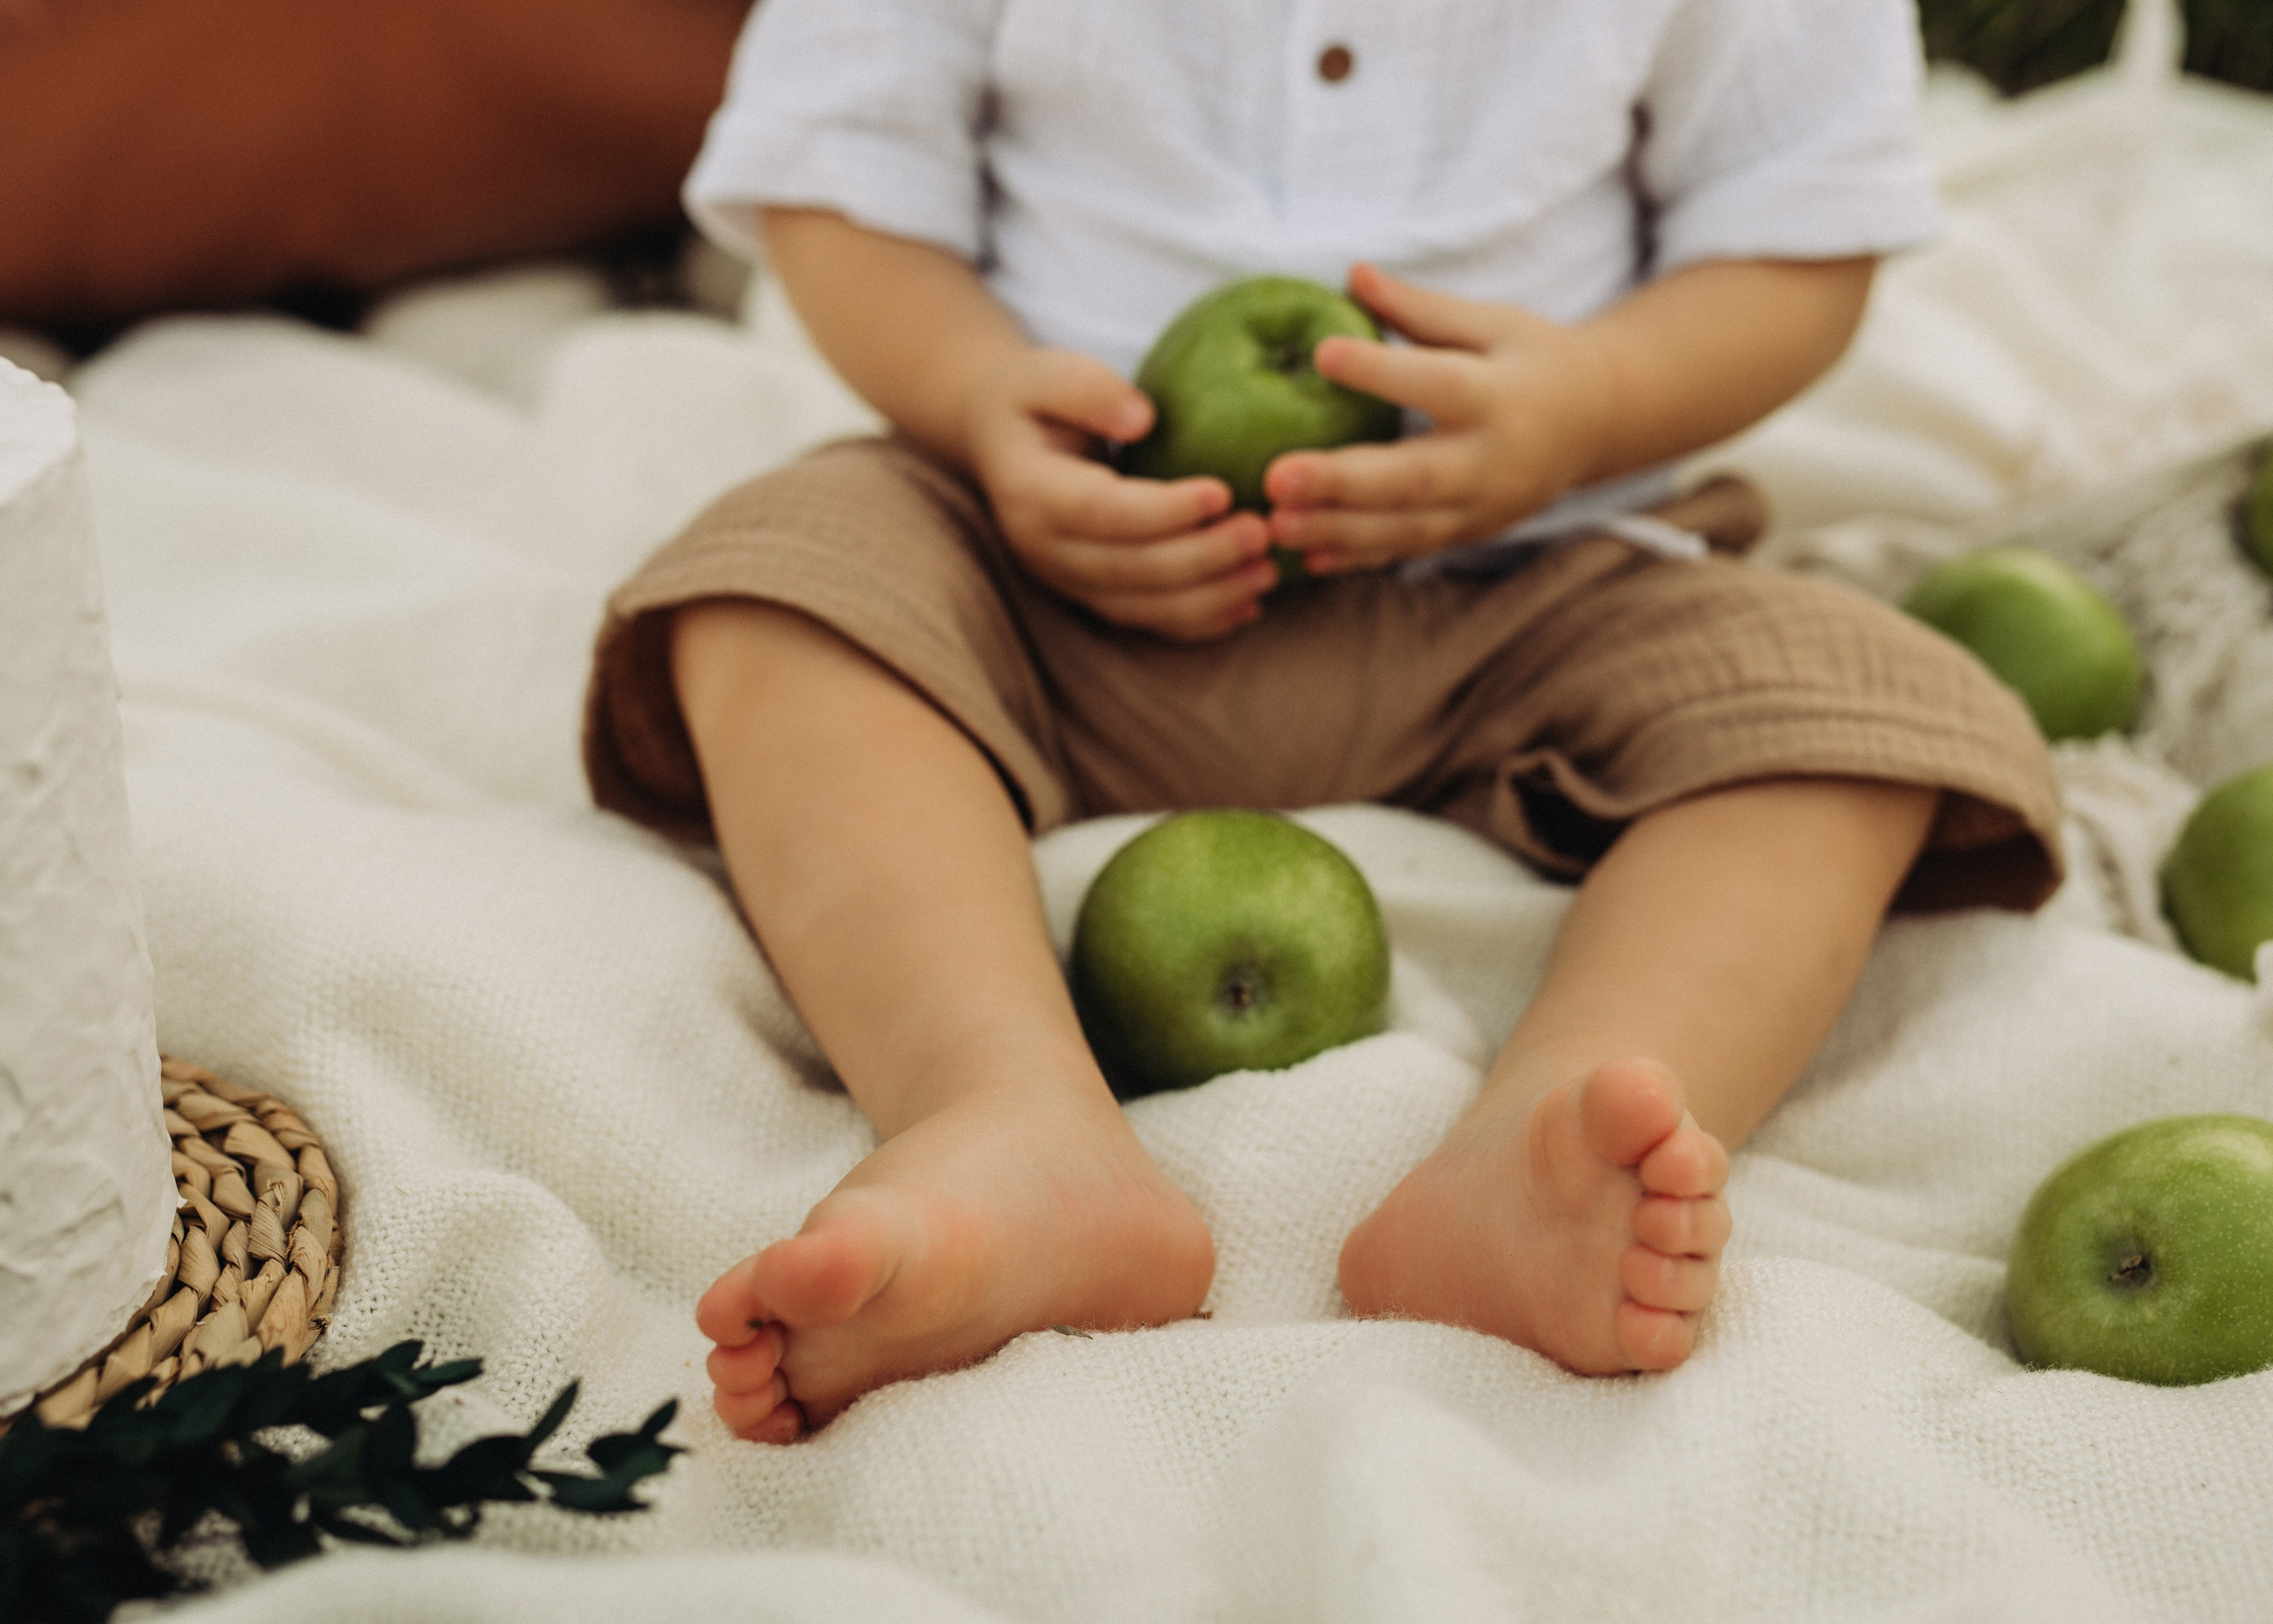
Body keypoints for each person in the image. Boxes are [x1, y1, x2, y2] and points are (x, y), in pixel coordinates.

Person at [583, 0, 2062, 1444]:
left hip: (1535, 585)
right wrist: (980, 403)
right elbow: (843, 185)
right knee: (774, 590)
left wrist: (1594, 399)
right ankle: (1004, 1114)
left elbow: (1798, 234)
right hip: (1039, 574)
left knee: (1857, 710)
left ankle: (1550, 1141)